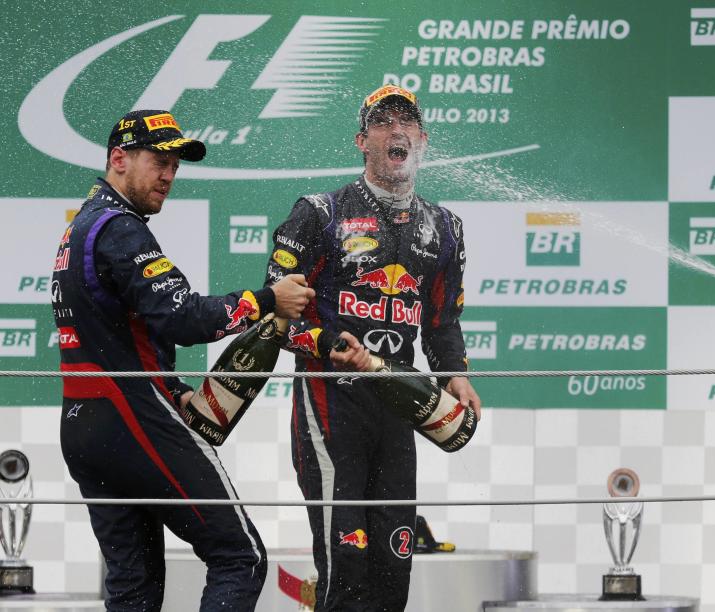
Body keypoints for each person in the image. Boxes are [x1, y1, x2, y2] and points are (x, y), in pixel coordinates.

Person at [52, 109, 314, 611]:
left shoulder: (80, 228)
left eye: (175, 164)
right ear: (119, 159)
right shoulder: (121, 229)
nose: (169, 175)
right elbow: (184, 318)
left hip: (84, 427)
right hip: (135, 421)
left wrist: (173, 390)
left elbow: (114, 338)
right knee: (243, 557)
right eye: (158, 161)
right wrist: (269, 299)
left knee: (134, 586)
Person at [265, 85, 481, 611]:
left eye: (407, 122)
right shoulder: (319, 213)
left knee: (393, 569)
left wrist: (455, 373)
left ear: (423, 140)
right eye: (383, 122)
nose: (397, 130)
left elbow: (441, 320)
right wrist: (326, 344)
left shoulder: (445, 227)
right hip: (331, 403)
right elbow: (275, 316)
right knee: (347, 570)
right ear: (363, 140)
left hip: (398, 405)